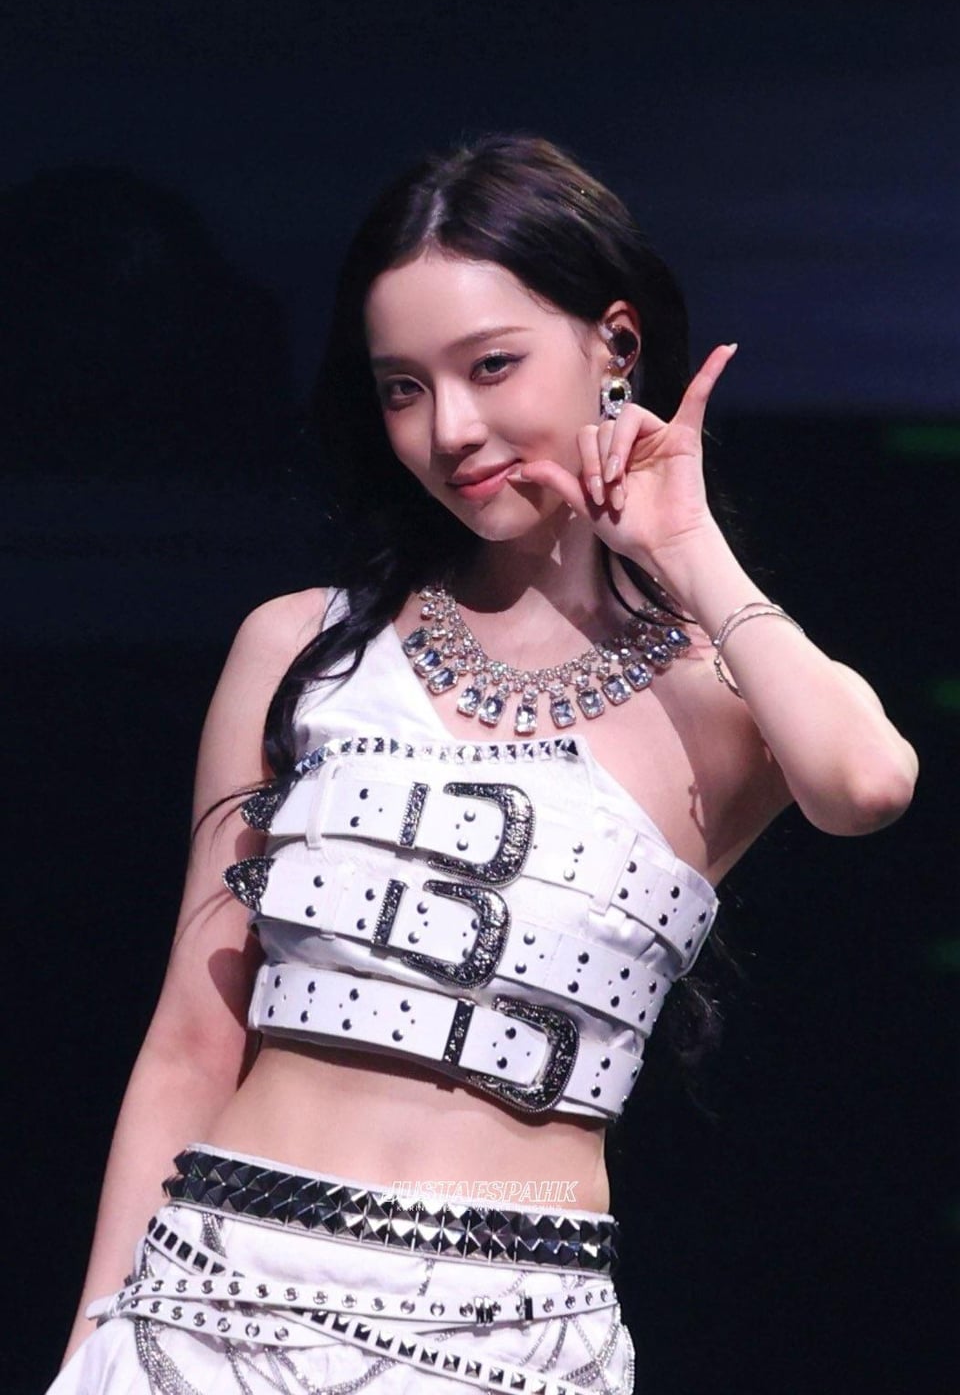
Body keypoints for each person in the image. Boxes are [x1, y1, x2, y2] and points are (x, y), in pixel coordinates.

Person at [48, 133, 918, 1395]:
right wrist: (92, 1344)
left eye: (491, 365)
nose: (449, 429)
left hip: (512, 1345)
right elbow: (190, 1041)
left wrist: (687, 545)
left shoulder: (722, 700)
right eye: (403, 388)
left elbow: (868, 786)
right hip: (207, 1308)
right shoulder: (301, 649)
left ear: (615, 344)